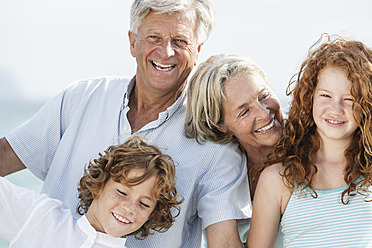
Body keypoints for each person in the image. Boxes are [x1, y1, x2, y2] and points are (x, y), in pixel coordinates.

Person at [0, 0, 250, 247]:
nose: (166, 52)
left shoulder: (217, 147)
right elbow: (6, 155)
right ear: (133, 42)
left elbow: (224, 244)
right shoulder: (82, 97)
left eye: (180, 41)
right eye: (153, 37)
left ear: (197, 51)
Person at [246, 34, 372, 248]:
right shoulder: (277, 179)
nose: (336, 109)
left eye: (350, 99)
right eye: (325, 96)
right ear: (309, 97)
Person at [0, 136, 183, 247]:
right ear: (98, 186)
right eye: (122, 192)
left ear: (150, 215)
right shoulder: (42, 217)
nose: (129, 208)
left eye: (143, 204)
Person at [185, 53, 285, 247]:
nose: (264, 114)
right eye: (244, 111)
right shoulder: (220, 170)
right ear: (220, 126)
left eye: (264, 96)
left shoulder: (314, 145)